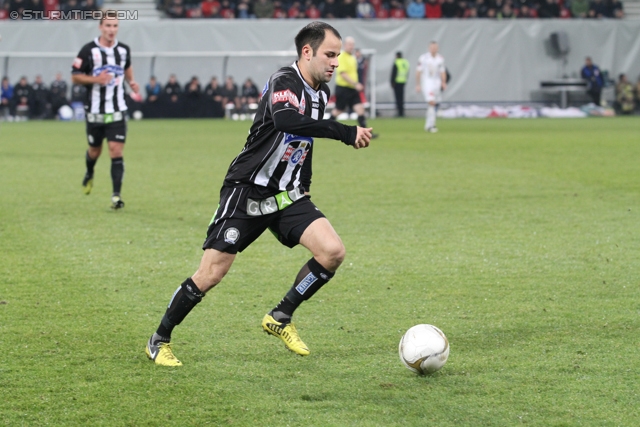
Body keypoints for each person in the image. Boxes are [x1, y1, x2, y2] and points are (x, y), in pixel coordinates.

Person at [145, 21, 373, 367]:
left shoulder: (322, 93)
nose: (335, 63)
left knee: (332, 252)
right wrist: (344, 131)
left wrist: (305, 179)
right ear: (306, 52)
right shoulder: (284, 82)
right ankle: (158, 339)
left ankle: (280, 316)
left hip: (286, 194)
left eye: (337, 56)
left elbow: (303, 141)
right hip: (247, 189)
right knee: (211, 273)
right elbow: (287, 122)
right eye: (329, 54)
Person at [71, 12, 140, 210]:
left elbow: (127, 67)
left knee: (115, 150)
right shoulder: (88, 50)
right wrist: (96, 80)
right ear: (100, 27)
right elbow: (75, 76)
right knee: (94, 151)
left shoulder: (123, 50)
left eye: (115, 26)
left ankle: (116, 196)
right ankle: (89, 172)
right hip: (94, 111)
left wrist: (132, 82)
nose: (111, 30)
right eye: (108, 26)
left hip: (117, 110)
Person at [329, 36, 377, 137]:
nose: (351, 47)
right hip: (343, 88)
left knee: (360, 109)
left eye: (352, 45)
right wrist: (356, 84)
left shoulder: (352, 57)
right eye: (349, 44)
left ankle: (367, 133)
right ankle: (326, 129)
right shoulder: (341, 57)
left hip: (352, 89)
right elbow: (343, 74)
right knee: (338, 110)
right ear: (345, 45)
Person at [416, 41, 446, 133]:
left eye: (435, 47)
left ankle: (428, 125)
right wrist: (418, 84)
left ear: (437, 48)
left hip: (436, 83)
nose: (433, 49)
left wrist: (444, 82)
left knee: (432, 104)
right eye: (432, 47)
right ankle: (431, 125)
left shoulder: (440, 59)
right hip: (427, 83)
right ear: (429, 48)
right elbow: (418, 71)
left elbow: (442, 71)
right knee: (432, 102)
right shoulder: (423, 58)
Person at [390, 51, 410, 117]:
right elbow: (407, 72)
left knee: (398, 98)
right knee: (402, 98)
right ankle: (402, 112)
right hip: (403, 82)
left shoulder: (397, 62)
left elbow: (394, 73)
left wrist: (392, 82)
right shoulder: (405, 62)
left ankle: (399, 112)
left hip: (397, 82)